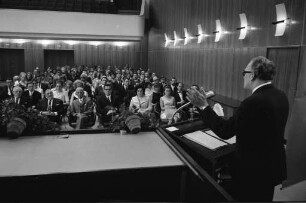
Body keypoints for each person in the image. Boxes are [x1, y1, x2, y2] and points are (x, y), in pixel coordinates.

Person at [186, 56, 289, 201]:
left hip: (253, 172)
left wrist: (203, 106)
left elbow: (225, 130)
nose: (243, 77)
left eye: (244, 73)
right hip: (273, 166)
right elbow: (262, 129)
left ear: (252, 75)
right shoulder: (281, 96)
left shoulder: (252, 102)